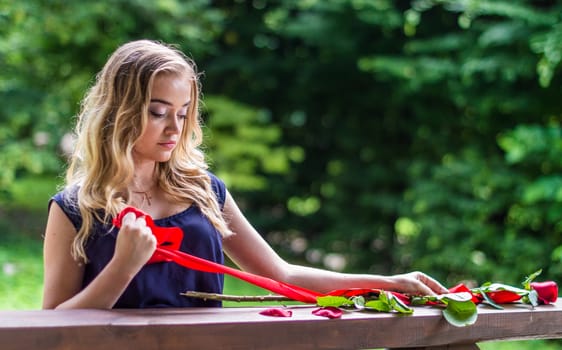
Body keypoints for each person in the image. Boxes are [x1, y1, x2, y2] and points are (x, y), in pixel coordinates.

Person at [42, 39, 448, 309]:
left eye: (183, 114)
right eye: (158, 112)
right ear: (119, 110)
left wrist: (388, 284)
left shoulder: (205, 192)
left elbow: (281, 275)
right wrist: (123, 267)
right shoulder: (75, 210)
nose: (174, 129)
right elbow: (53, 329)